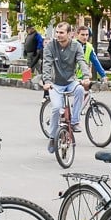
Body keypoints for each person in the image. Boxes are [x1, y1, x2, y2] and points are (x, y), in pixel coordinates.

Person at [42, 22, 90, 153]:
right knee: (57, 108)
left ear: (70, 34)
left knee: (80, 89)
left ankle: (74, 122)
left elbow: (81, 61)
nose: (58, 35)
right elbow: (46, 64)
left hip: (70, 81)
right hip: (55, 83)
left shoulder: (76, 46)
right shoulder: (51, 46)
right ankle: (52, 137)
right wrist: (46, 81)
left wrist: (86, 77)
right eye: (57, 32)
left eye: (61, 32)